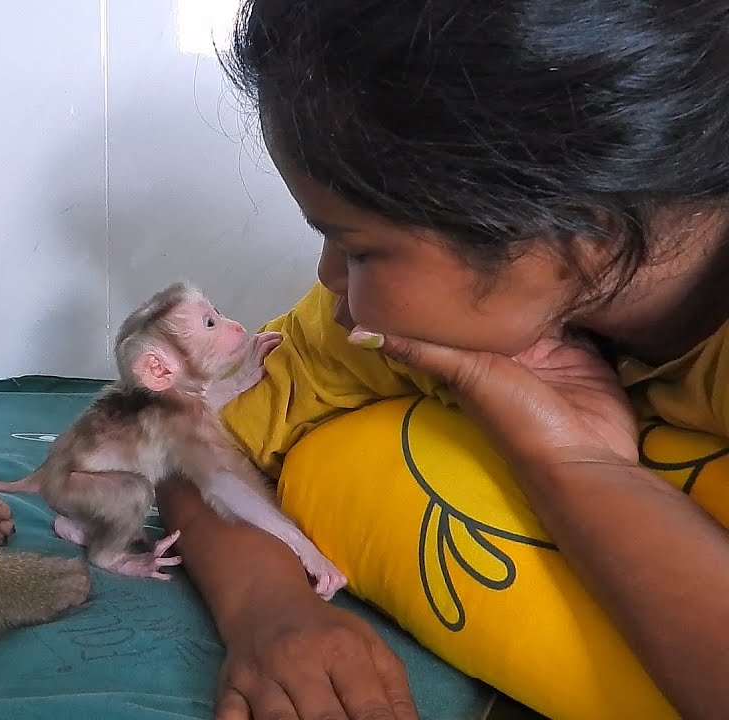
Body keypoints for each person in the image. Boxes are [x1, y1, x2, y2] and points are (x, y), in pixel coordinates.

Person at [155, 0, 729, 718]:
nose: (331, 278)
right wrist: (268, 606)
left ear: (586, 240)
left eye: (357, 247)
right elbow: (181, 440)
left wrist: (582, 468)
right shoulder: (381, 327)